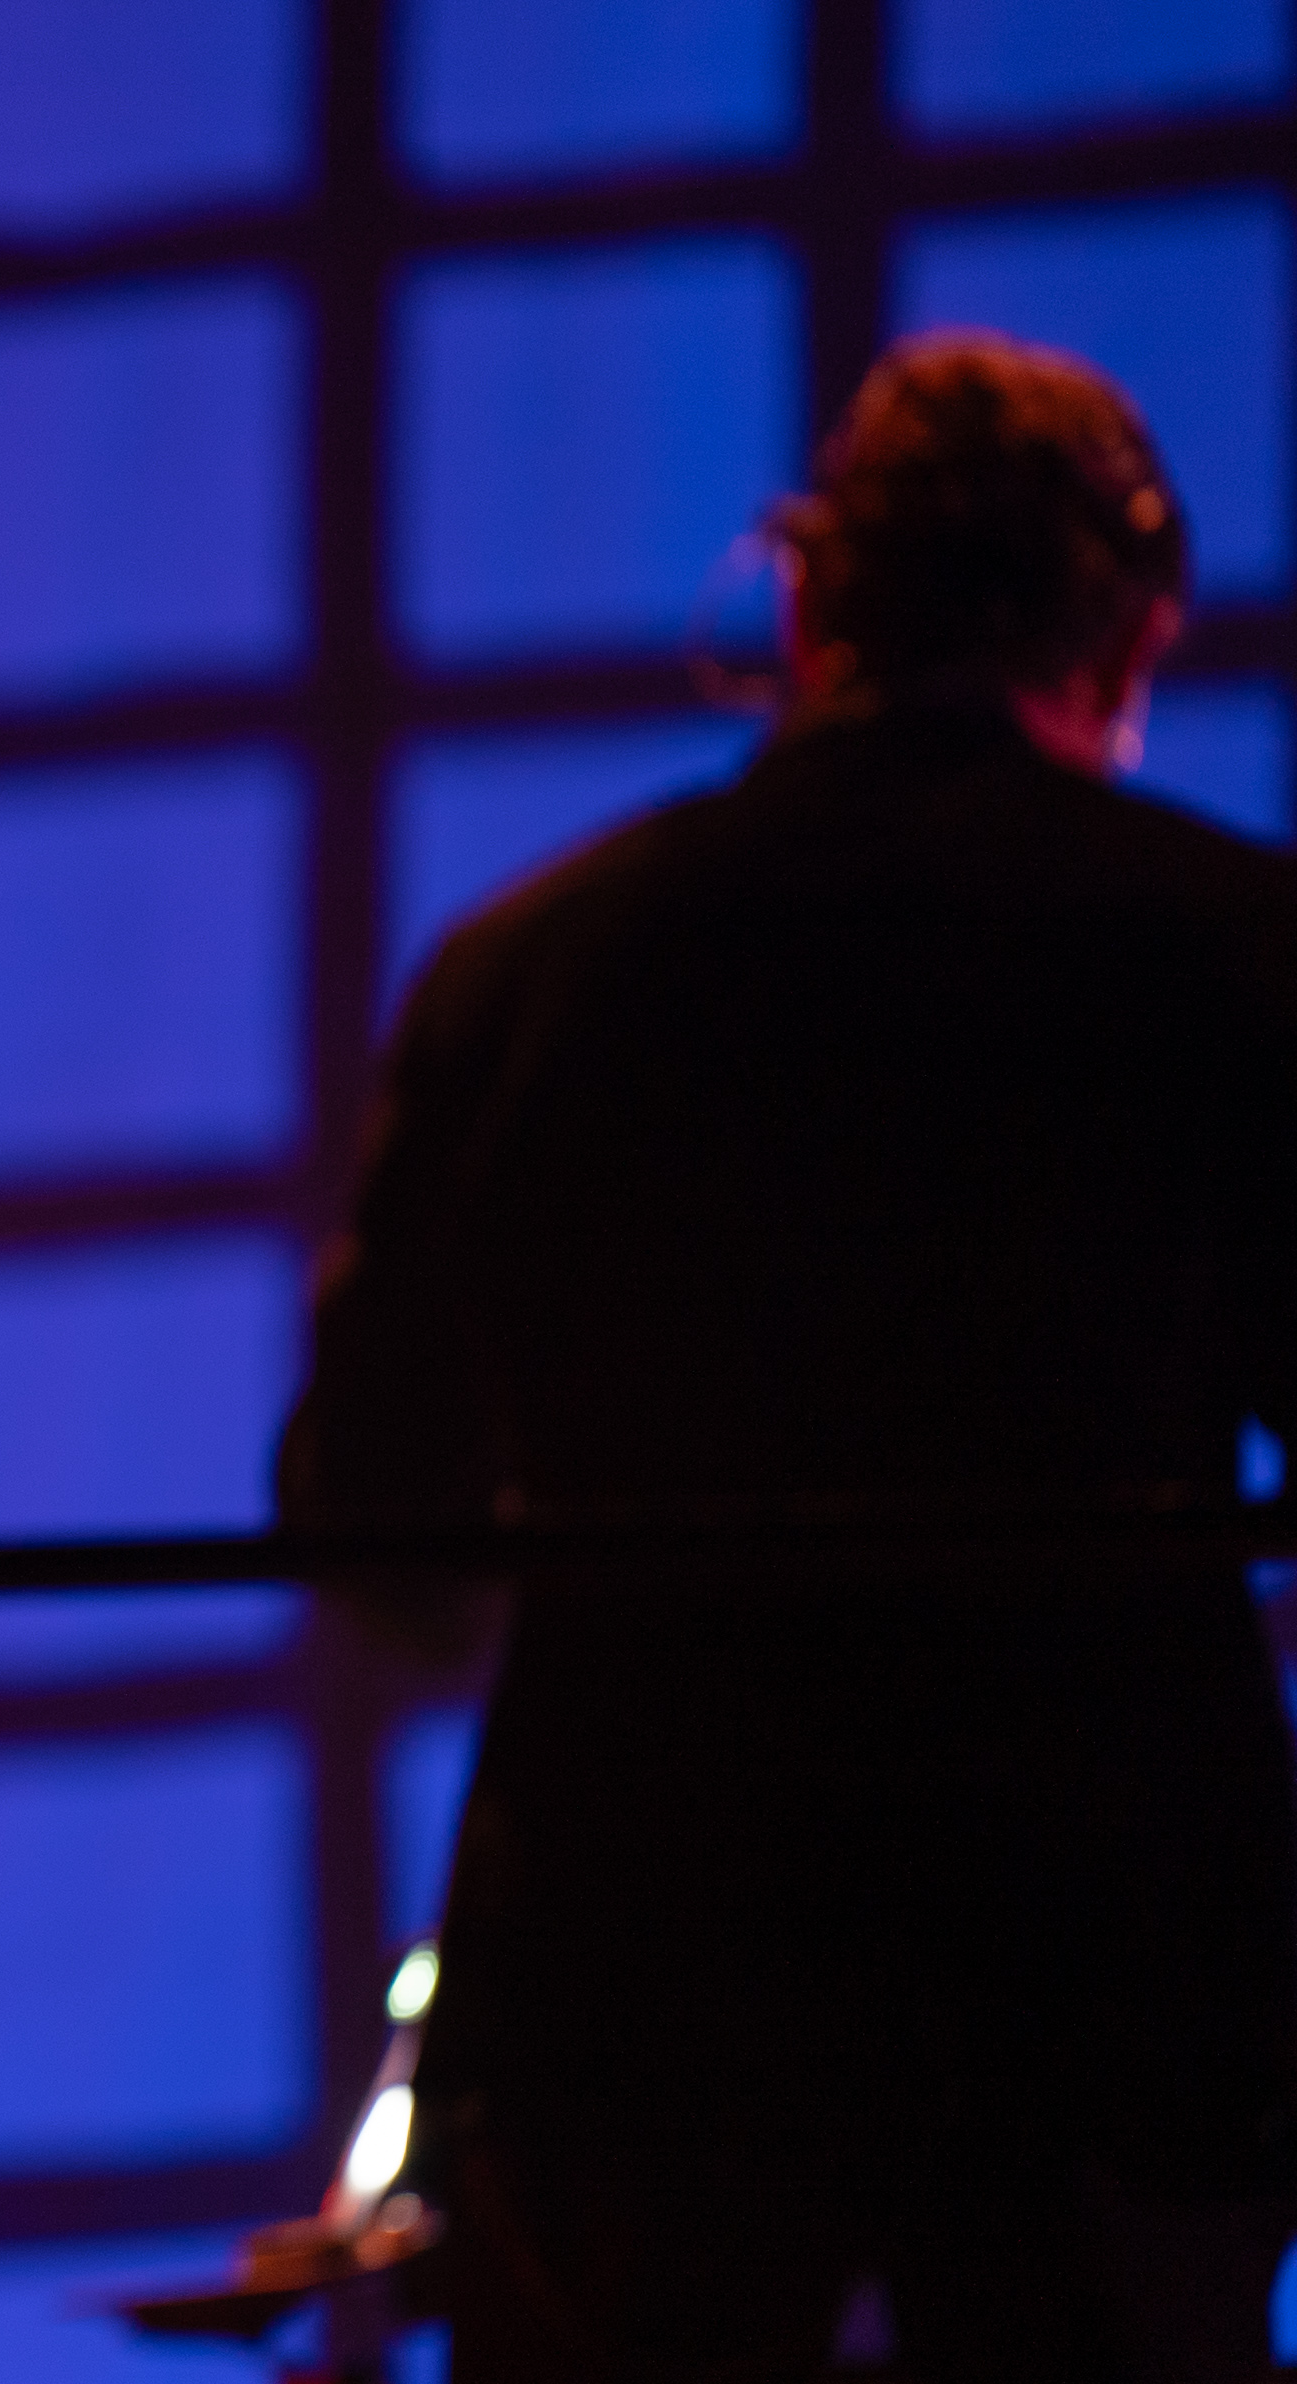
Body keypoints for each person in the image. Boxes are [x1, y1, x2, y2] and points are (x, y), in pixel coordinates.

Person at [278, 330, 1297, 2378]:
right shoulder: (1230, 946)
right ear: (1124, 629)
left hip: (639, 1963)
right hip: (1104, 1952)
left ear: (808, 602)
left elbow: (368, 1516)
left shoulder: (526, 973)